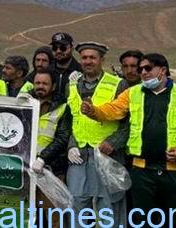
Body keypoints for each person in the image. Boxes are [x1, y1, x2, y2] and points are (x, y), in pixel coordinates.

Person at [80, 53, 176, 225]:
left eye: (148, 68)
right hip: (141, 171)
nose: (143, 72)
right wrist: (93, 111)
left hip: (174, 171)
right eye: (140, 69)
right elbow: (112, 110)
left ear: (162, 70)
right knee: (142, 221)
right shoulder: (132, 93)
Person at [65, 41, 128, 227]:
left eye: (92, 57)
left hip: (107, 157)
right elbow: (70, 120)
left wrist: (113, 143)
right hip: (79, 157)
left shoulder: (118, 84)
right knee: (76, 206)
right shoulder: (72, 85)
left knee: (110, 207)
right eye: (84, 58)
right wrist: (71, 145)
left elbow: (129, 123)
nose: (88, 61)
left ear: (102, 60)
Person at [28, 69, 71, 226]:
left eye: (45, 83)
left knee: (53, 215)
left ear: (53, 86)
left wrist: (43, 158)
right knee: (26, 213)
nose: (40, 86)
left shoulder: (63, 107)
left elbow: (63, 138)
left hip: (51, 169)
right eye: (37, 83)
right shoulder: (25, 103)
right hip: (26, 169)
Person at [51, 32, 82, 100]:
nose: (58, 51)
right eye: (55, 48)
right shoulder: (47, 71)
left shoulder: (80, 72)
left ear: (72, 48)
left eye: (63, 48)